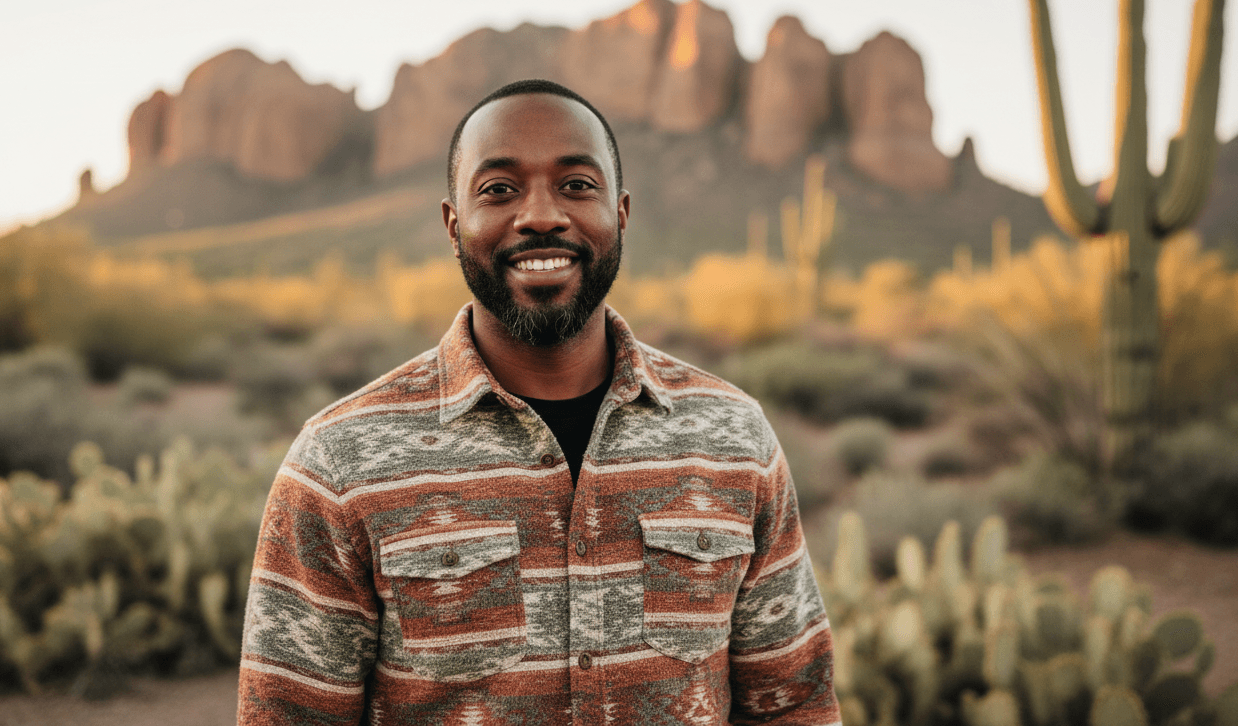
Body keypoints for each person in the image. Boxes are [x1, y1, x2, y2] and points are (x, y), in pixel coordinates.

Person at [237, 79, 841, 725]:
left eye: (578, 185)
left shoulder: (732, 436)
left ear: (622, 213)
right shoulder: (338, 461)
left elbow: (794, 701)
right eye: (498, 189)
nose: (541, 215)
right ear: (452, 224)